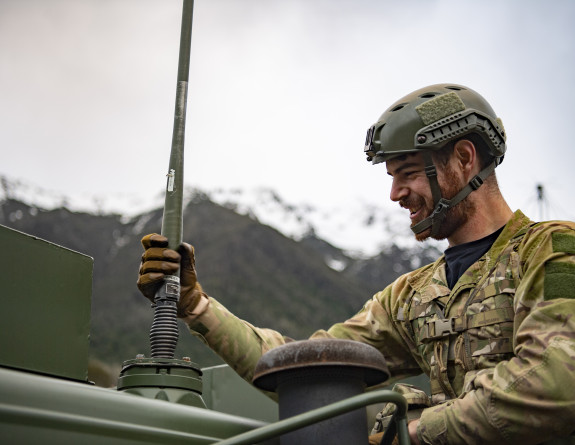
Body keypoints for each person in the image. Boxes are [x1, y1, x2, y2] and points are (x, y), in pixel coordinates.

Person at [137, 84, 575, 445]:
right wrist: (195, 305)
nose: (395, 194)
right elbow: (303, 370)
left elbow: (556, 384)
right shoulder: (413, 296)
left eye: (408, 172)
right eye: (391, 178)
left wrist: (413, 431)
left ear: (464, 159)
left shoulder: (552, 250)